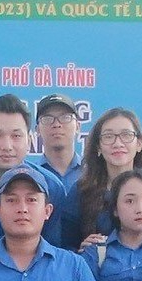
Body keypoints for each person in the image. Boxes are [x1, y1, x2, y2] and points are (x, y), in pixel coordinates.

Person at [71, 107, 142, 244]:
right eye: (108, 137)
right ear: (98, 147)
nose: (118, 144)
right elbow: (64, 244)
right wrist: (80, 251)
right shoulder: (81, 191)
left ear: (139, 144)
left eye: (126, 135)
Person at [35, 95, 85, 245]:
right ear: (37, 130)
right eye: (48, 119)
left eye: (65, 117)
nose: (57, 124)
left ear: (78, 126)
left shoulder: (93, 173)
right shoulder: (31, 176)